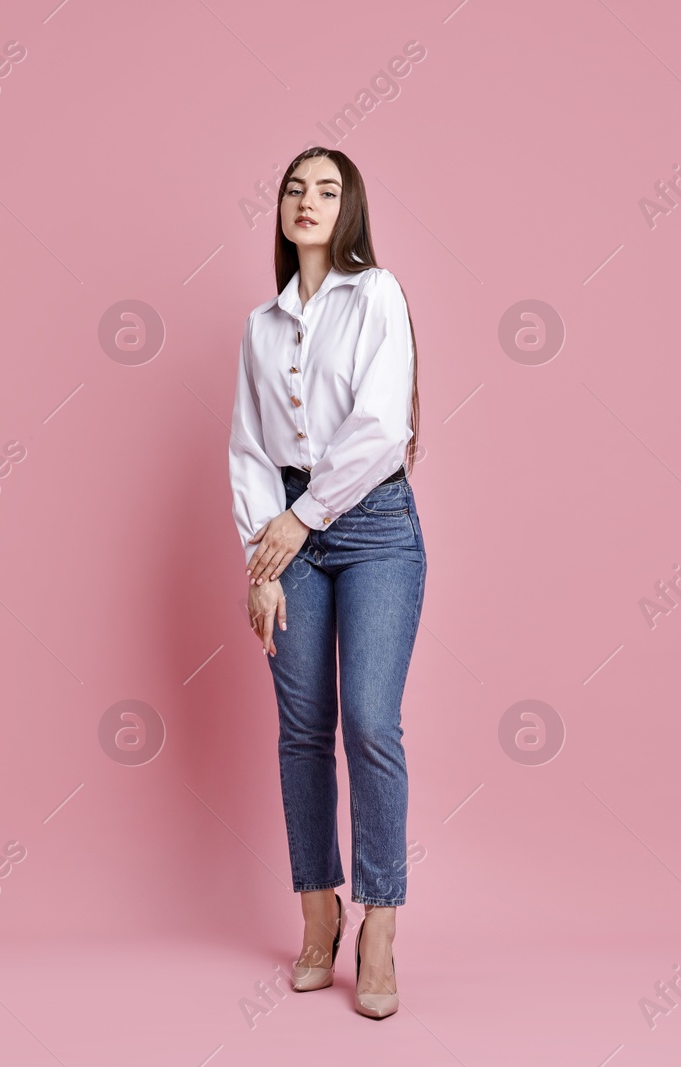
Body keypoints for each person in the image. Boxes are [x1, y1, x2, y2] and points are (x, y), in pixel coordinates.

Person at [228, 146, 426, 1020]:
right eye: (294, 188)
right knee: (301, 729)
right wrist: (261, 556)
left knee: (370, 724)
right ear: (278, 209)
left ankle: (380, 923)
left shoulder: (378, 292)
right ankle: (320, 912)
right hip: (285, 524)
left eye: (327, 189)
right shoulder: (259, 327)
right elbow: (247, 450)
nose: (307, 201)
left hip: (374, 522)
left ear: (349, 209)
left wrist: (298, 523)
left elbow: (386, 425)